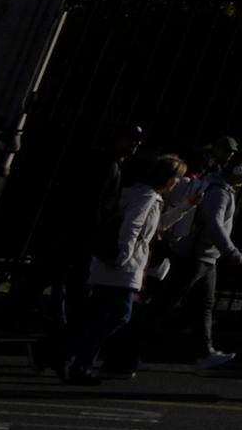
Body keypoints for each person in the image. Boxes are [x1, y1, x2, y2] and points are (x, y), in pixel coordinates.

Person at [68, 150, 177, 382]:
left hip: (118, 265)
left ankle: (71, 357)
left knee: (99, 315)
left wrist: (186, 206)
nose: (177, 182)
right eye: (176, 177)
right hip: (124, 267)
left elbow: (157, 225)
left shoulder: (142, 195)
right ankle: (77, 360)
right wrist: (124, 257)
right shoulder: (147, 198)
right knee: (119, 315)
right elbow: (133, 227)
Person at [156, 146, 242, 364]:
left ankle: (205, 351)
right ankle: (129, 346)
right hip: (197, 255)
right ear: (238, 169)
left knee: (203, 305)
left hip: (207, 257)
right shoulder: (219, 192)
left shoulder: (222, 188)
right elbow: (214, 224)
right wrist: (232, 252)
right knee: (166, 302)